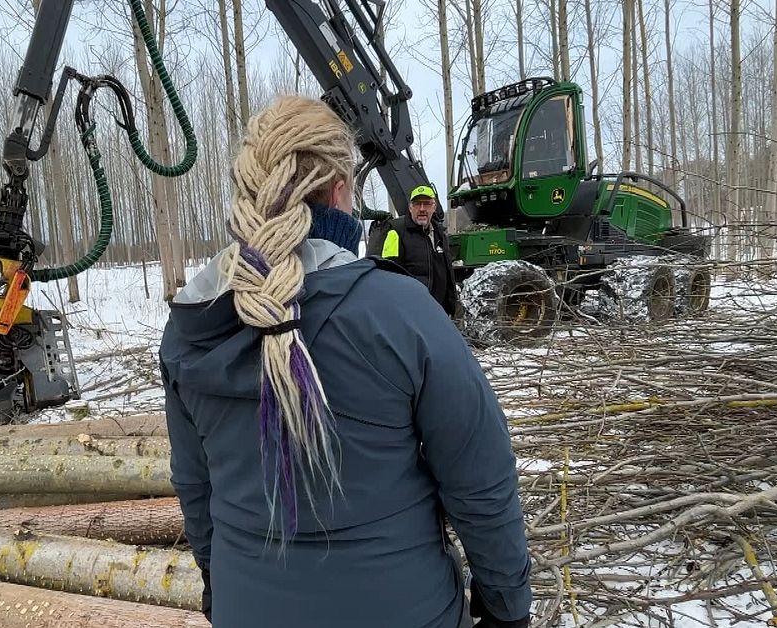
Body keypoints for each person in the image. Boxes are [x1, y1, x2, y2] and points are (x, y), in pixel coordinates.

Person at [160, 95, 531, 628]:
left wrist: (220, 586)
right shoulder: (401, 314)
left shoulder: (188, 327)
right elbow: (481, 478)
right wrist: (505, 608)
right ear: (339, 190)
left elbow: (195, 488)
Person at [369, 186, 459, 315]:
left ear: (434, 207)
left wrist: (450, 306)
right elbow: (388, 275)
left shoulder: (440, 233)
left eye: (427, 204)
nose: (422, 209)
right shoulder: (396, 231)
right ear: (410, 207)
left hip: (438, 312)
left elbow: (447, 272)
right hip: (412, 313)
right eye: (417, 204)